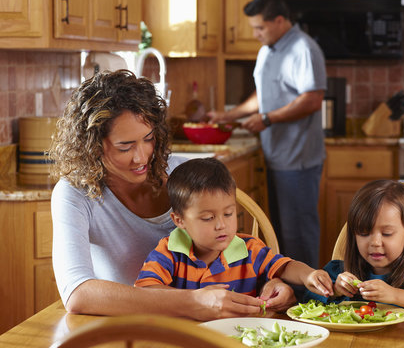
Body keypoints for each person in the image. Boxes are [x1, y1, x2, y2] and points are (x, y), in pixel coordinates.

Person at [49, 69, 296, 320]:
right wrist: (193, 301)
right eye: (125, 147)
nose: (141, 157)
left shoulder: (187, 173)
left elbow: (233, 255)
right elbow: (78, 294)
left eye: (148, 139)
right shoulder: (74, 195)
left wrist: (268, 285)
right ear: (92, 147)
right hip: (128, 327)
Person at [208, 0, 326, 272]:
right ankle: (289, 297)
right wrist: (230, 115)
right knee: (281, 232)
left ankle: (311, 296)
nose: (255, 33)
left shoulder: (303, 49)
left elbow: (312, 98)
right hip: (275, 154)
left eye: (260, 27)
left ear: (280, 21)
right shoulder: (267, 50)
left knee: (298, 232)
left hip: (298, 158)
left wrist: (268, 120)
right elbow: (264, 95)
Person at [135, 158, 333, 305]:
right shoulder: (169, 253)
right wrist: (193, 299)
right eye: (208, 218)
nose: (221, 225)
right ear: (179, 220)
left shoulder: (250, 249)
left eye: (228, 214)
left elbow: (285, 266)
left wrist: (309, 274)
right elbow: (145, 290)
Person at [304, 180, 404, 309]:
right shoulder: (338, 271)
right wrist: (334, 291)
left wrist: (395, 295)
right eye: (364, 233)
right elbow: (305, 303)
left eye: (387, 233)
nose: (375, 243)